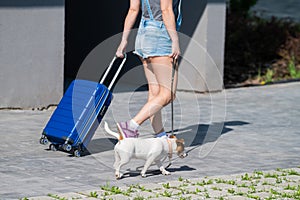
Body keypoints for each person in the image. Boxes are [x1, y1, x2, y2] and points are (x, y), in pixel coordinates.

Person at [115, 0, 182, 138]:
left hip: (143, 34)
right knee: (168, 93)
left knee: (155, 91)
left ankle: (160, 135)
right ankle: (131, 126)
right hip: (161, 35)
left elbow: (133, 9)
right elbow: (166, 10)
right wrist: (175, 40)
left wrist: (124, 40)